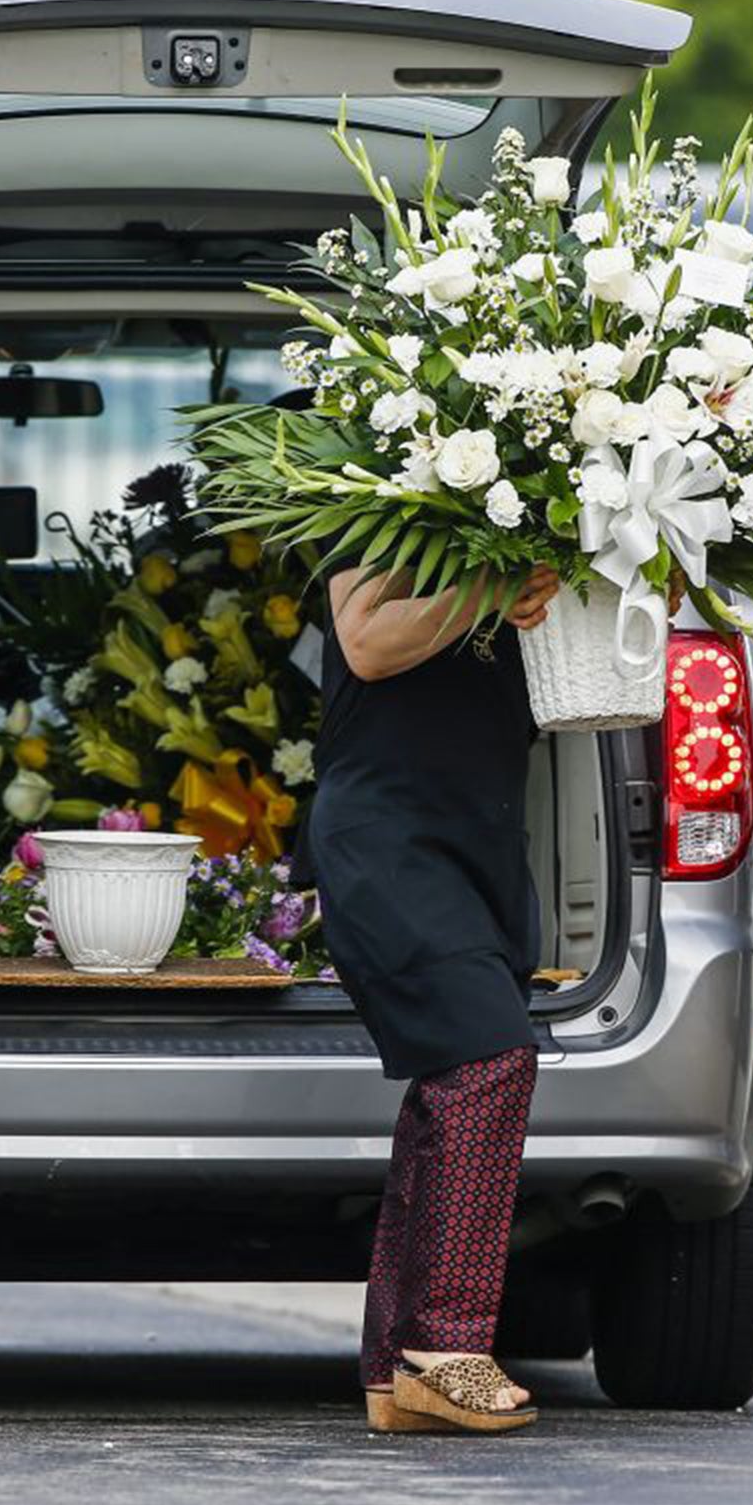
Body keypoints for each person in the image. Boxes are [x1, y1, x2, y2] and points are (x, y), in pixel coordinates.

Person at [308, 560, 559, 1434]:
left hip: (483, 829)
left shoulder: (539, 507)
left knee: (447, 1090)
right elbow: (369, 643)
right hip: (386, 829)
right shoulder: (368, 484)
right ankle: (445, 1349)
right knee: (490, 1058)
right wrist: (496, 592)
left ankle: (394, 1369)